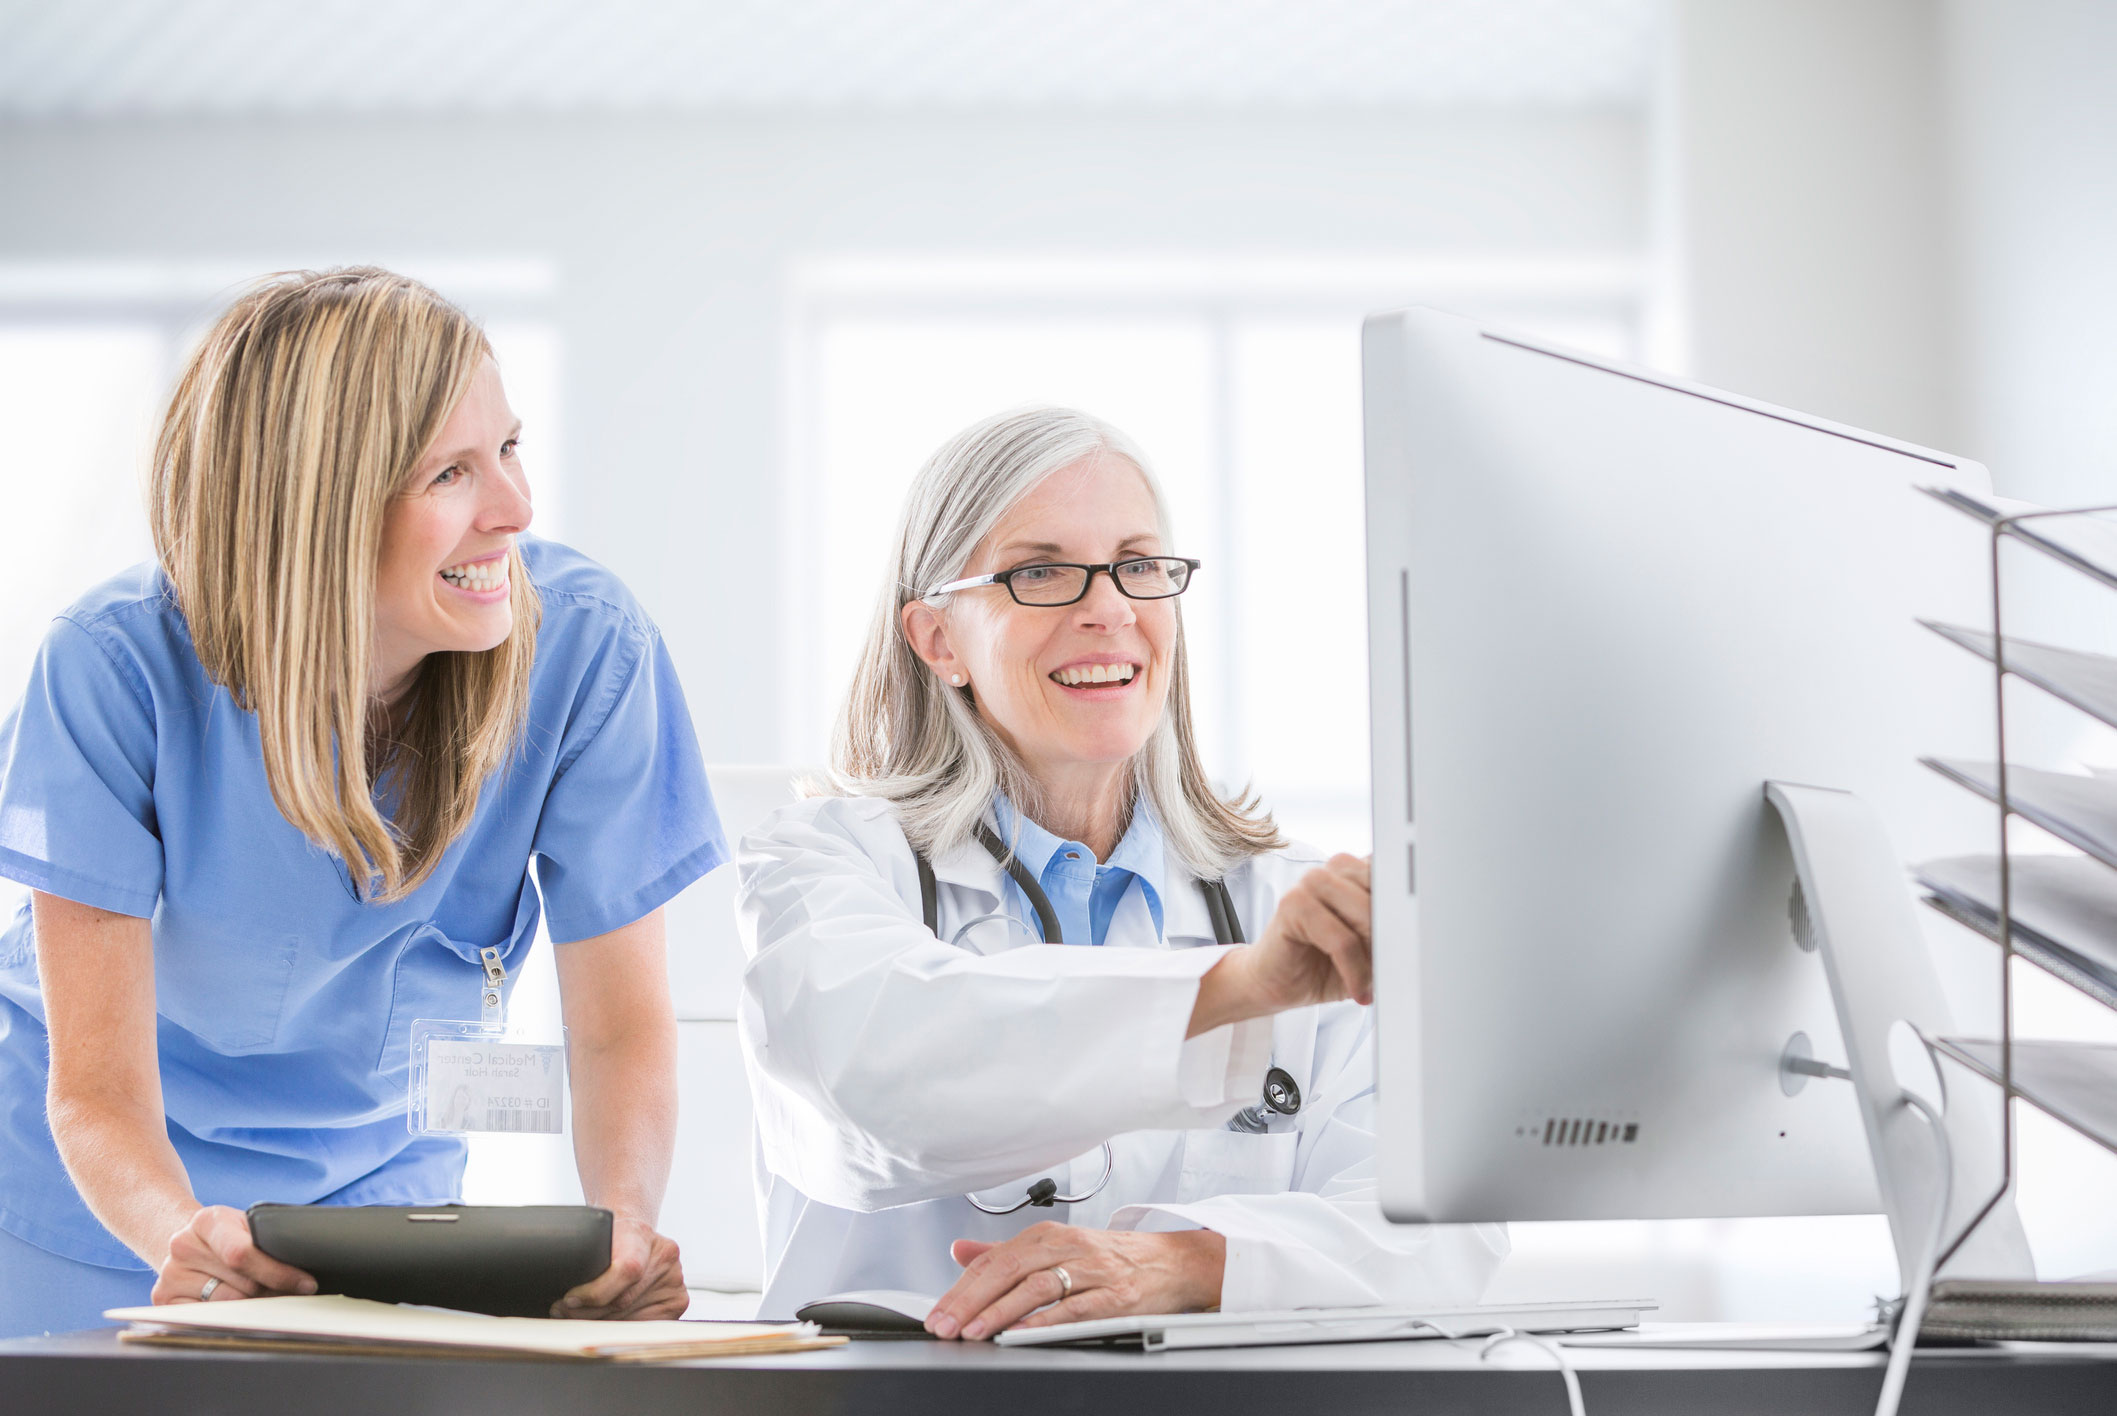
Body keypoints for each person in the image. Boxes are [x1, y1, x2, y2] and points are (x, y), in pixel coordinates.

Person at [0, 269, 723, 1337]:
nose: (514, 511)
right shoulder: (116, 666)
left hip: (378, 1189)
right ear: (317, 503)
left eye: (509, 451)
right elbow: (94, 1089)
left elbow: (618, 1026)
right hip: (91, 1199)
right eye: (451, 474)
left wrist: (618, 1231)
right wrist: (177, 1233)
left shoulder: (583, 651)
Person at [736, 406, 1505, 1337]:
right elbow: (884, 1076)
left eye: (1139, 565)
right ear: (938, 639)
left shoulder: (1293, 901)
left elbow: (1439, 1228)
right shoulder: (823, 863)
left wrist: (1183, 1263)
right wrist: (1240, 987)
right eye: (1041, 571)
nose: (1111, 609)